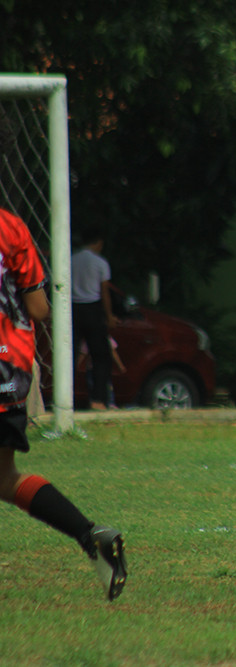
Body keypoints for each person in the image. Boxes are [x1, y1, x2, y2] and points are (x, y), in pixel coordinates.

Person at [0, 206, 128, 600]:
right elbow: (38, 309)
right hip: (11, 367)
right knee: (4, 477)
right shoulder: (12, 226)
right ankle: (91, 536)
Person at [71, 228, 118, 410]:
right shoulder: (100, 263)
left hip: (73, 310)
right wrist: (109, 316)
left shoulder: (71, 259)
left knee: (71, 357)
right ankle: (98, 400)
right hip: (92, 309)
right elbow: (104, 292)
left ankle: (69, 398)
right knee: (101, 357)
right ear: (98, 243)